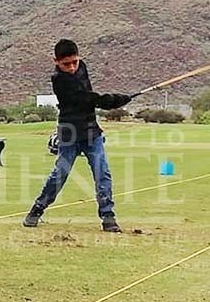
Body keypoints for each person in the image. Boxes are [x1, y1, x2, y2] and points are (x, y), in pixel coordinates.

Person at [23, 39, 132, 232]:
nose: (72, 68)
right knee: (60, 174)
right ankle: (37, 209)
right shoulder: (59, 81)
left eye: (75, 62)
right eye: (66, 64)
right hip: (69, 133)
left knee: (102, 173)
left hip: (91, 131)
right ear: (55, 61)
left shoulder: (82, 68)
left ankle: (108, 216)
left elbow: (90, 96)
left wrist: (113, 100)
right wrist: (115, 100)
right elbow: (86, 99)